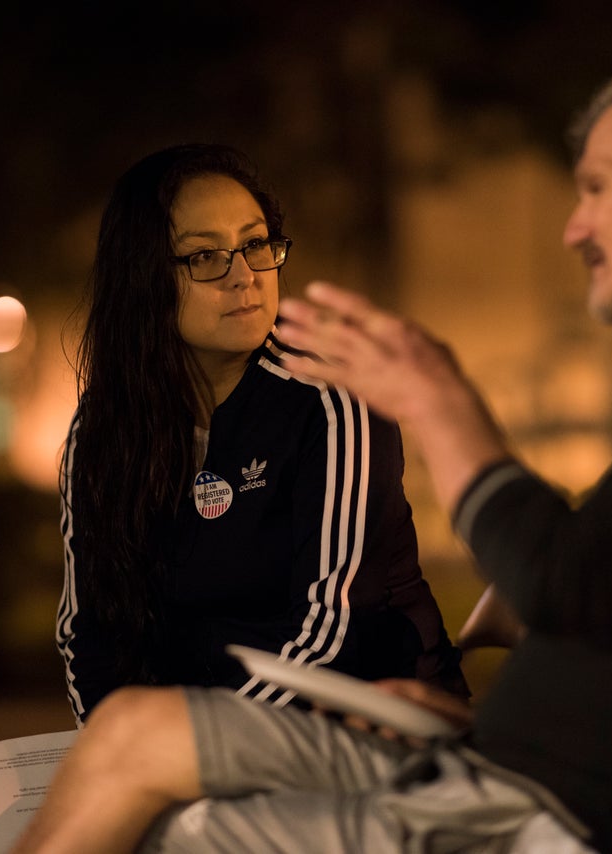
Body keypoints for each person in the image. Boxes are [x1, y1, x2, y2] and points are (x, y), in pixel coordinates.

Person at [12, 59, 612, 854]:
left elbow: (566, 581)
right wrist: (502, 650)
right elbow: (599, 591)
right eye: (206, 259)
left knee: (155, 812)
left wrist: (440, 403)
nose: (574, 227)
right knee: (121, 755)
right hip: (488, 776)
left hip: (528, 815)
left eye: (596, 186)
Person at [54, 143, 467, 721]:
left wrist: (181, 746)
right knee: (8, 815)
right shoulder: (103, 430)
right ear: (142, 278)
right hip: (180, 744)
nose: (244, 276)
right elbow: (87, 630)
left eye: (254, 244)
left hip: (364, 723)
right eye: (204, 257)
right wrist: (109, 739)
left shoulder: (329, 399)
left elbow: (330, 634)